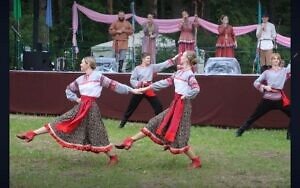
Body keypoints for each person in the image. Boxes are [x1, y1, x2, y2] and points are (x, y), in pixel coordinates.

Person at [16, 56, 141, 166]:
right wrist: (76, 99)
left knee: (97, 133)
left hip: (91, 108)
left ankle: (113, 157)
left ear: (88, 64)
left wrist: (131, 90)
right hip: (80, 106)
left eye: (82, 62)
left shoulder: (98, 76)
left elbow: (115, 85)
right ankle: (31, 133)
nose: (80, 64)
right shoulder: (80, 79)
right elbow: (68, 89)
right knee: (60, 121)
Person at [115, 50, 202, 169]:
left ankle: (196, 161)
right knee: (155, 122)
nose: (181, 57)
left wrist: (186, 95)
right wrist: (147, 88)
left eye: (183, 56)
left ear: (187, 59)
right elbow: (165, 82)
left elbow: (196, 88)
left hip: (183, 106)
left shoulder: (189, 74)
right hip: (175, 104)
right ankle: (129, 140)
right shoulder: (179, 72)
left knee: (180, 137)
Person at [235, 53, 291, 139]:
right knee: (254, 116)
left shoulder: (284, 71)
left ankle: (289, 135)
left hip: (280, 99)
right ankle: (240, 131)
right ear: (271, 61)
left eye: (277, 59)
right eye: (274, 59)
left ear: (279, 61)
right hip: (267, 100)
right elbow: (255, 83)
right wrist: (264, 87)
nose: (276, 60)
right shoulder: (267, 72)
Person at [119, 52, 179, 128]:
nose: (149, 60)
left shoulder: (151, 67)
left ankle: (160, 124)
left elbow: (162, 65)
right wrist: (140, 83)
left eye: (150, 59)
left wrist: (173, 59)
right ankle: (122, 124)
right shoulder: (137, 69)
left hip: (148, 89)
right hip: (139, 90)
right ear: (143, 59)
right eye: (147, 58)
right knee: (131, 107)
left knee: (158, 106)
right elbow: (132, 80)